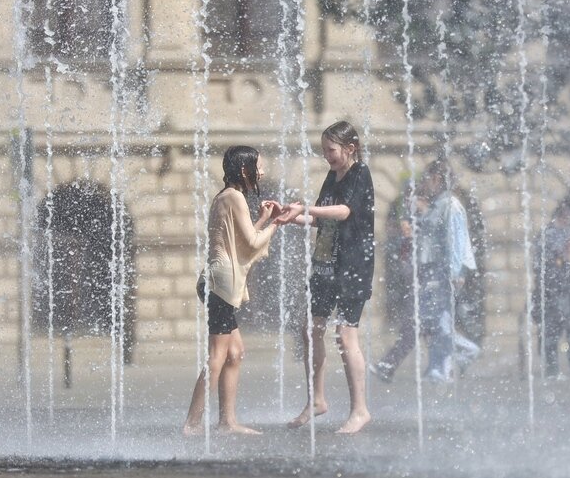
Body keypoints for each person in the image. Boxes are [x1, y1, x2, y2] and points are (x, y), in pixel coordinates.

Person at [276, 121, 374, 434]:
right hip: (325, 262)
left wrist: (306, 209)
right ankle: (316, 400)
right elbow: (320, 216)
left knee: (345, 336)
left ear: (350, 148)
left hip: (353, 264)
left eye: (330, 150)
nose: (327, 156)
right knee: (311, 329)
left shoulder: (361, 174)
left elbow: (345, 212)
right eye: (324, 151)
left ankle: (360, 410)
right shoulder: (332, 176)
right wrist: (290, 218)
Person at [183, 146, 282, 436]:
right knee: (217, 355)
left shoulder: (226, 196)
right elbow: (250, 244)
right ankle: (192, 423)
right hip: (222, 283)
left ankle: (227, 421)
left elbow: (237, 239)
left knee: (235, 352)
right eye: (258, 166)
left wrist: (263, 220)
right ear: (243, 170)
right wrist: (277, 222)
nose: (261, 171)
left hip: (216, 281)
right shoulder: (234, 197)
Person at [372, 160, 477, 383]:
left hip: (441, 272)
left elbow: (457, 241)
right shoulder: (438, 204)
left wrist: (457, 272)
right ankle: (447, 363)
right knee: (433, 321)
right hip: (430, 271)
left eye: (426, 179)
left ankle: (449, 363)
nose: (423, 184)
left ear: (437, 179)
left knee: (434, 321)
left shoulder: (451, 205)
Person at [532, 202, 570, 379]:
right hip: (554, 289)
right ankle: (554, 370)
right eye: (567, 215)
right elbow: (543, 263)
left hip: (566, 289)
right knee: (553, 333)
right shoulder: (549, 235)